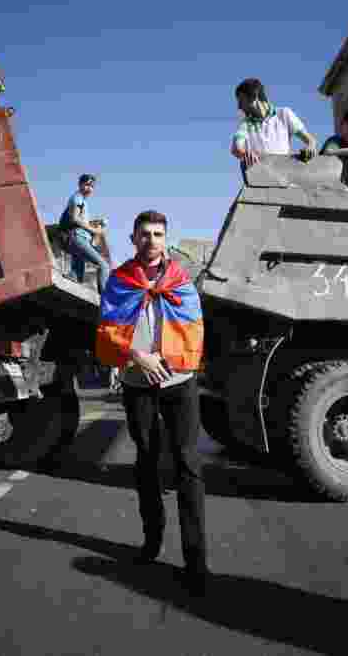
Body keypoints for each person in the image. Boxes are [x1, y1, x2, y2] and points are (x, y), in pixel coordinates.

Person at [95, 210, 208, 597]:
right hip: (138, 381)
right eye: (144, 234)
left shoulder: (181, 280)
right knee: (146, 460)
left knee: (188, 465)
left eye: (158, 234)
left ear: (166, 239)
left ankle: (196, 560)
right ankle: (152, 541)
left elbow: (194, 329)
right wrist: (137, 356)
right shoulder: (120, 280)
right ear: (133, 239)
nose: (151, 240)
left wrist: (170, 361)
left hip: (179, 383)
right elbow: (107, 329)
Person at [230, 78, 318, 172]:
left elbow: (310, 140)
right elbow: (236, 148)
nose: (239, 107)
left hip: (284, 176)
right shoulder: (245, 124)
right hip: (259, 179)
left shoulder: (284, 114)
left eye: (241, 101)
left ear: (253, 97)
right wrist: (245, 153)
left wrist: (311, 146)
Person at [59, 174, 110, 293]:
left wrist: (96, 224)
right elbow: (75, 219)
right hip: (77, 237)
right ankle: (105, 298)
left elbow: (80, 221)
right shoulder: (78, 198)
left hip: (80, 238)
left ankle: (74, 276)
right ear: (80, 184)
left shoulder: (83, 201)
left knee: (77, 276)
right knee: (104, 265)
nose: (89, 188)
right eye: (87, 185)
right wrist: (93, 230)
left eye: (92, 186)